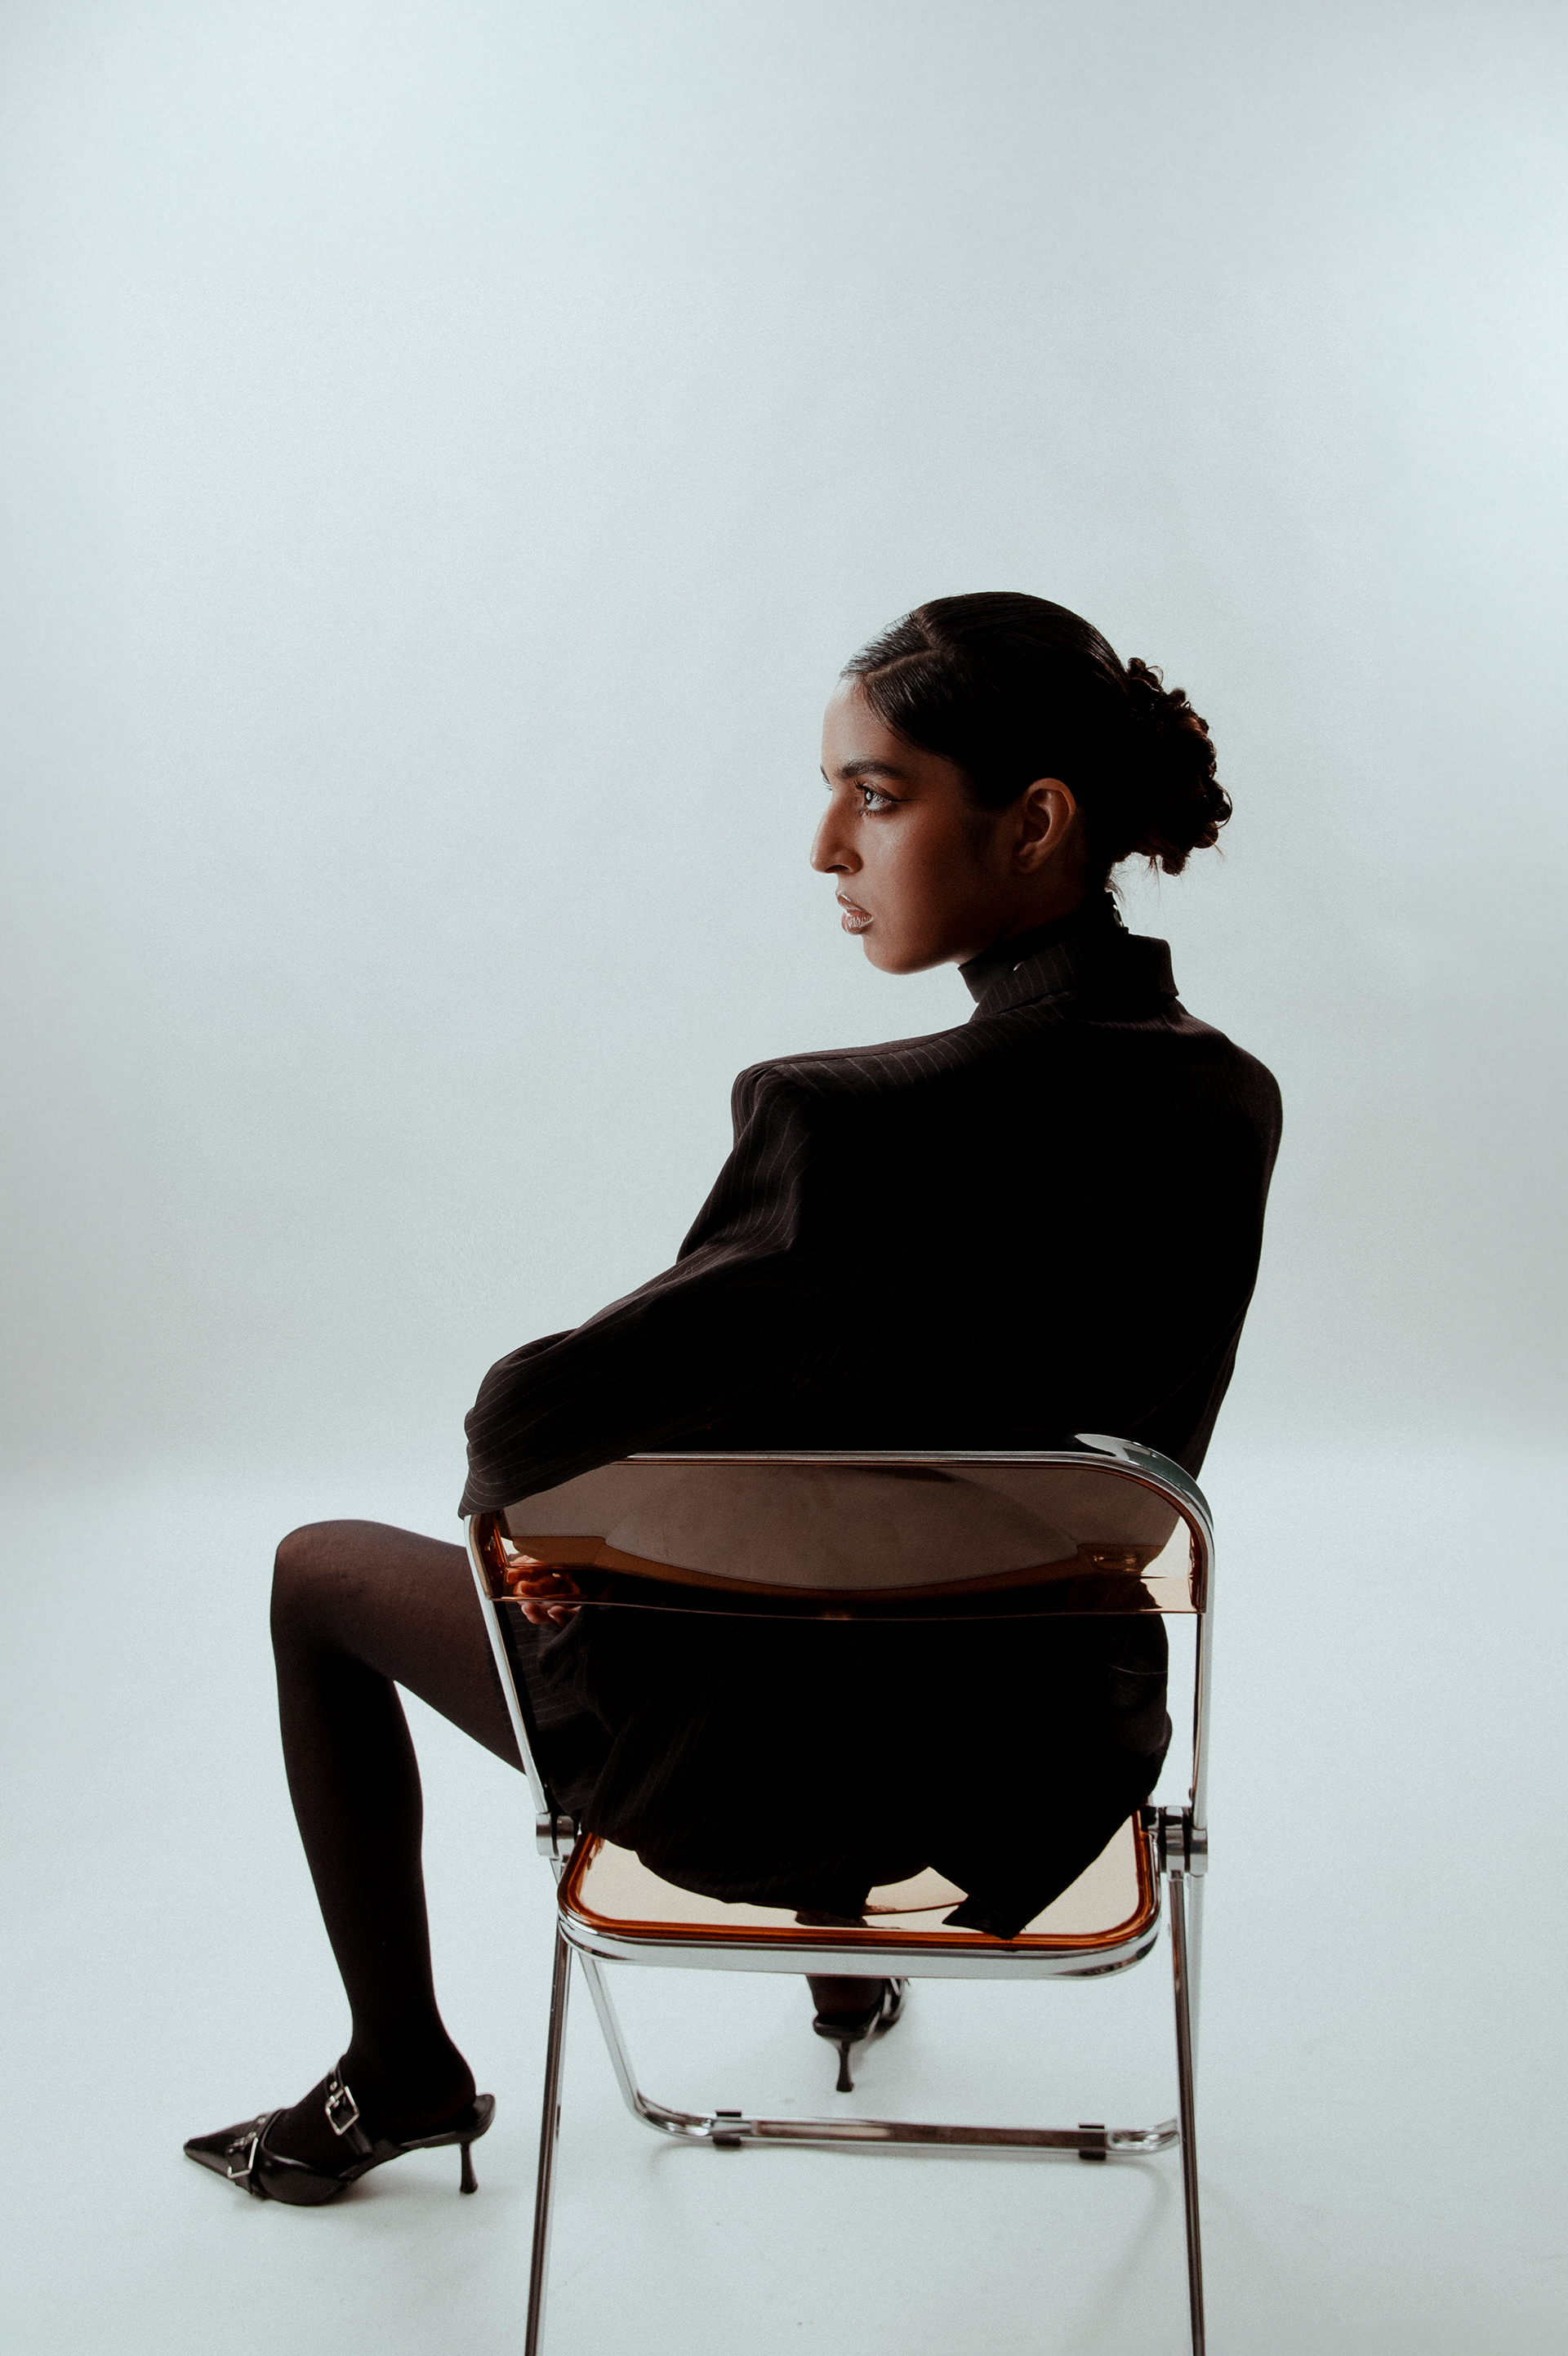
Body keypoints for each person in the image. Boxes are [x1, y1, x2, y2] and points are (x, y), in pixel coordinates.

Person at [185, 592, 1281, 2205]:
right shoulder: (1232, 1105)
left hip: (751, 1776)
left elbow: (518, 1428)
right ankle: (844, 1965)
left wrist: (559, 1546)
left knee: (317, 1575)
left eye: (877, 795)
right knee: (857, 1510)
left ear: (1038, 822)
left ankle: (398, 2066)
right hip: (1041, 1769)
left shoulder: (847, 1129)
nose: (827, 847)